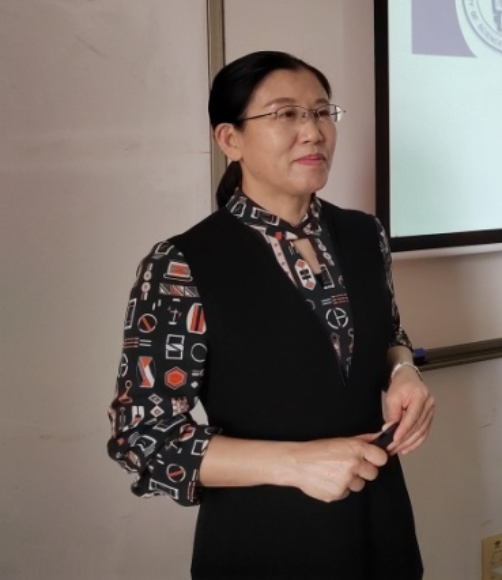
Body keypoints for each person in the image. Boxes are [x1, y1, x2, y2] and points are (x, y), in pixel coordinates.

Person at [107, 51, 432, 579]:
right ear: (230, 140)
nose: (313, 131)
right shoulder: (182, 265)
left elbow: (388, 331)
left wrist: (403, 371)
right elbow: (143, 436)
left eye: (322, 112)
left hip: (381, 526)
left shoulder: (364, 234)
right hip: (263, 539)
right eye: (286, 114)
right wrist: (295, 464)